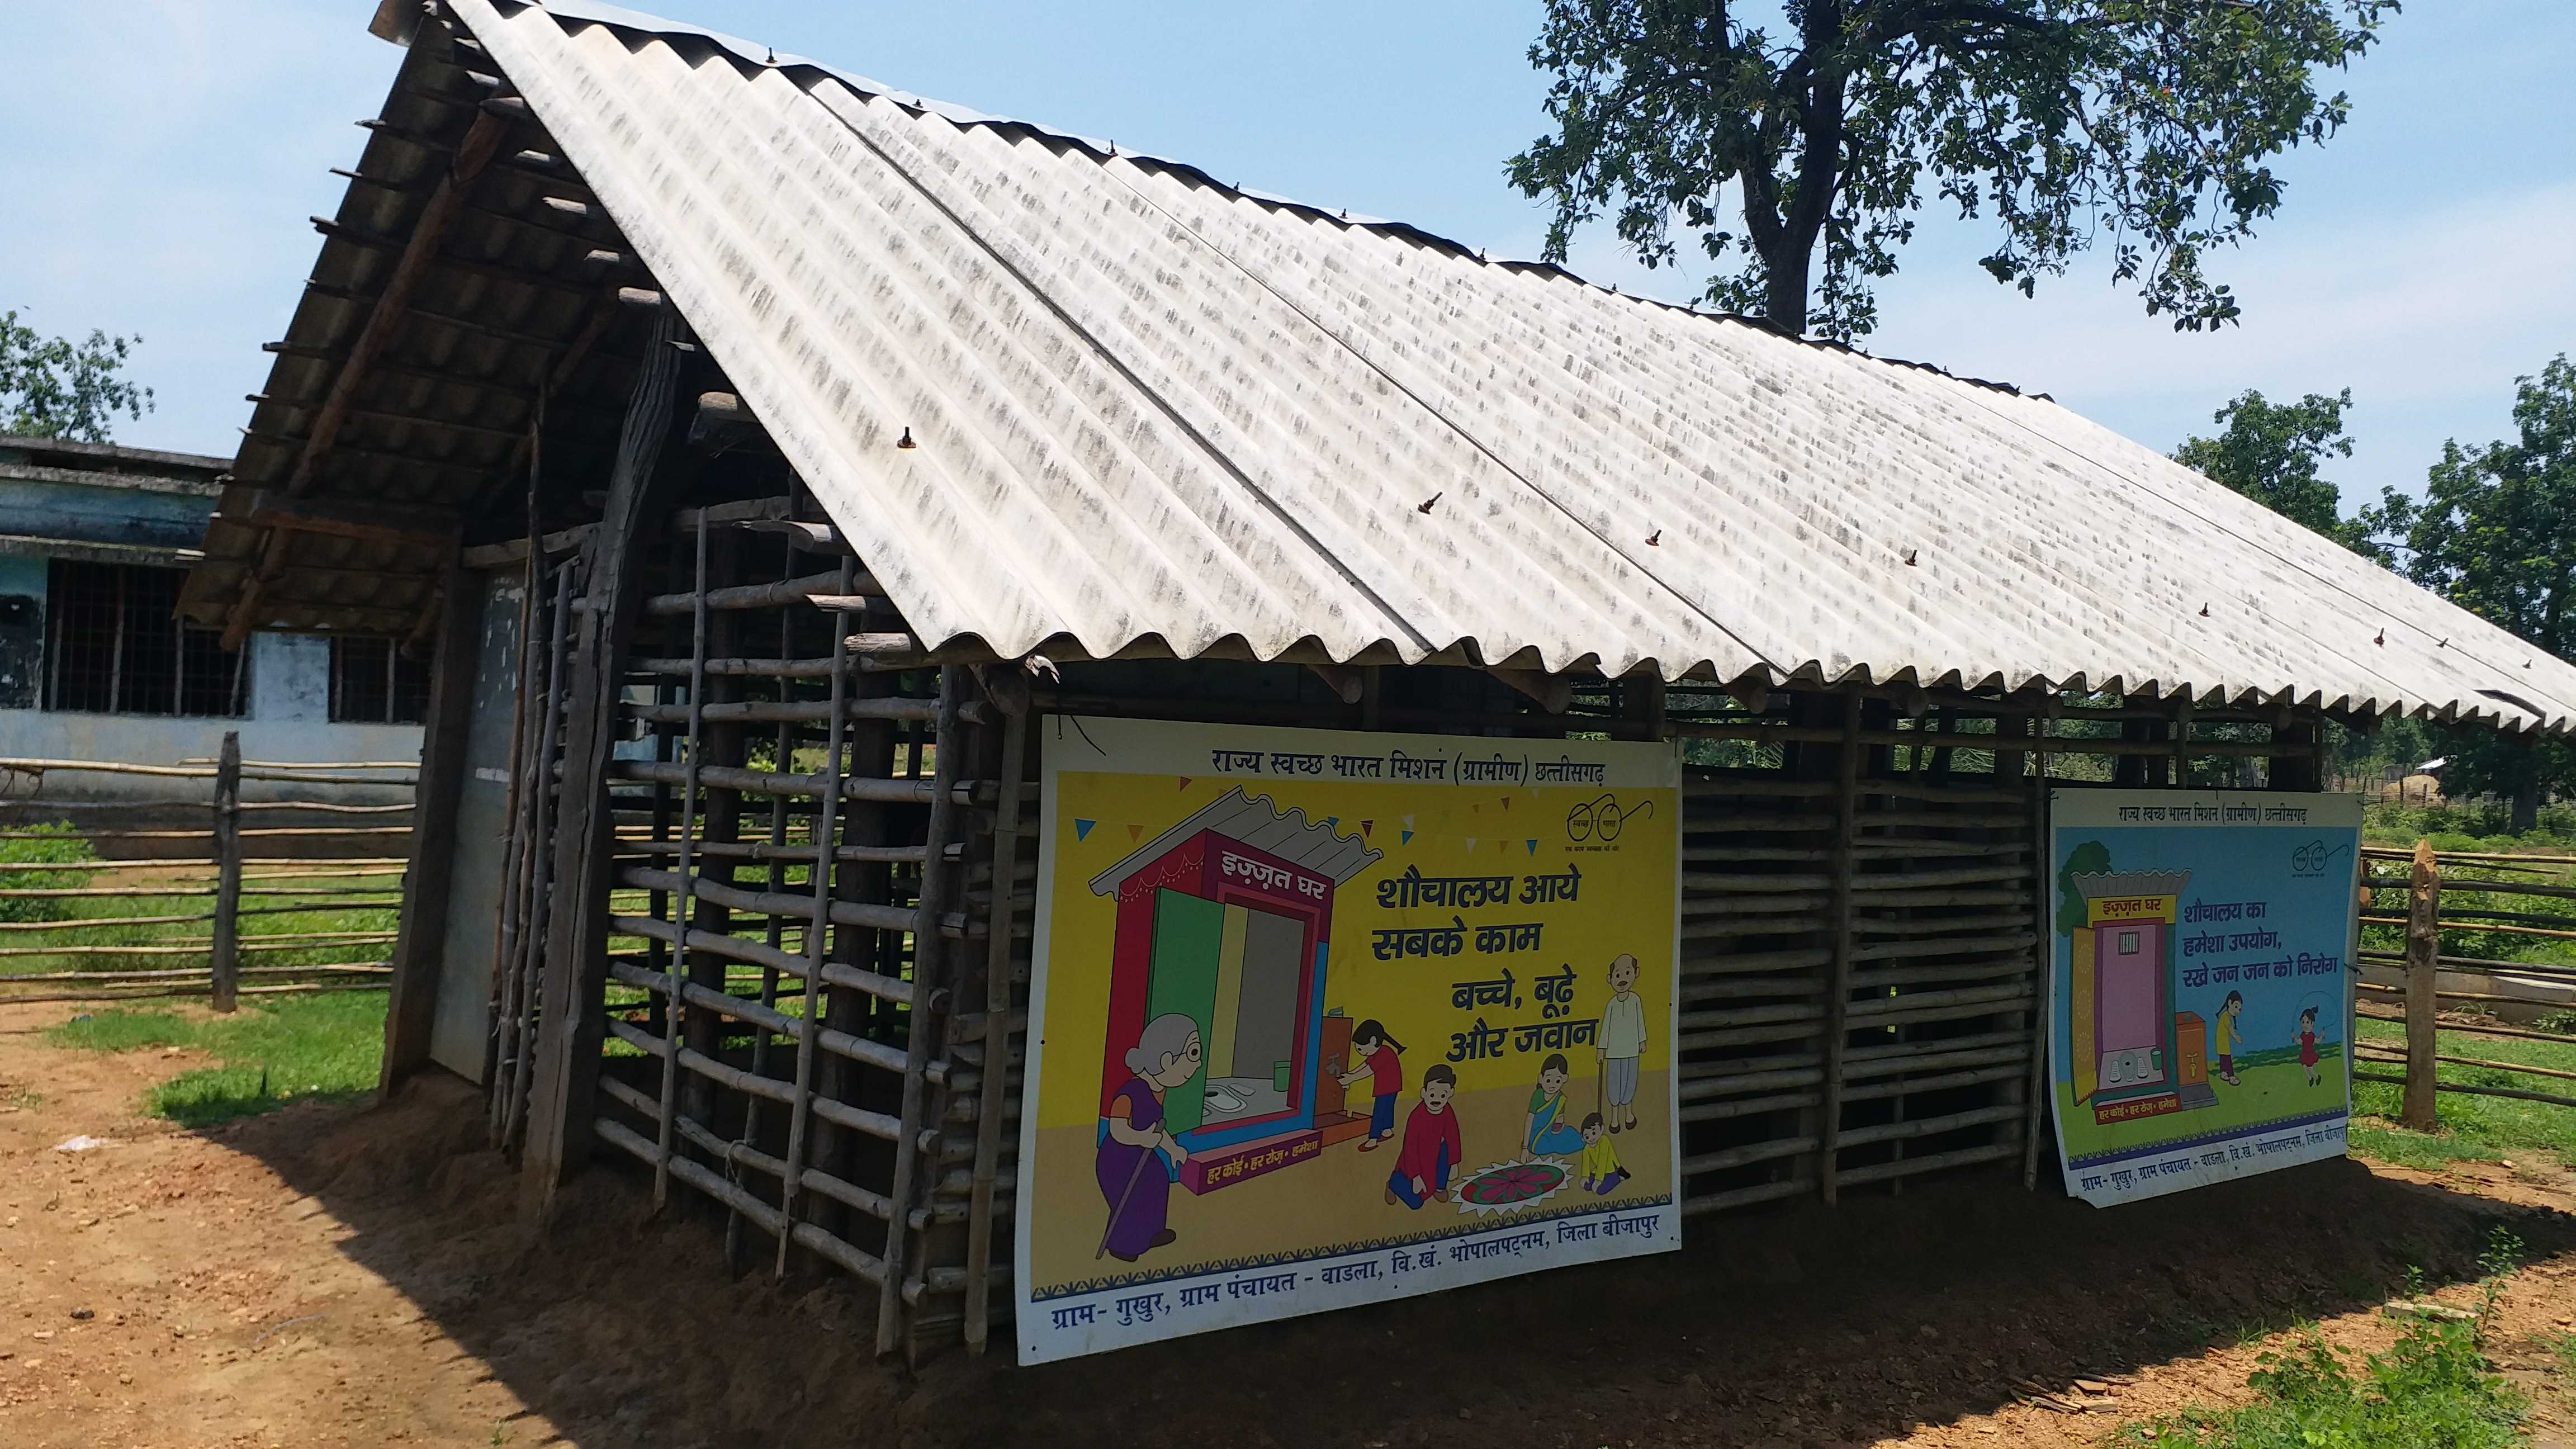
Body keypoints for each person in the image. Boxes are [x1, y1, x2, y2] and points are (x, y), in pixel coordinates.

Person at [1095, 1014, 1200, 1263]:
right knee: (1132, 1197)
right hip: (1117, 1159)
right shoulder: (1131, 1092)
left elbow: (1157, 1129)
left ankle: (1152, 1232)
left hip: (1142, 1153)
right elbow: (1118, 1129)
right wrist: (1141, 1137)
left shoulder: (1159, 1091)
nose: (1198, 1064)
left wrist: (1173, 1149)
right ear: (1166, 1060)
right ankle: (1124, 1246)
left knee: (1158, 1179)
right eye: (1193, 1054)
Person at [1386, 1065, 1464, 1209]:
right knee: (1416, 1203)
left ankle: (1440, 1188)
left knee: (1446, 1148)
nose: (1437, 1100)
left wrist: (1454, 1163)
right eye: (1433, 1095)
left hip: (1435, 1156)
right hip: (1415, 1161)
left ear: (1450, 1093)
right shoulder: (1416, 1117)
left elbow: (1453, 1136)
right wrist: (1415, 1177)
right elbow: (1410, 1148)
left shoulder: (1447, 1110)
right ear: (1424, 1093)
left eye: (1443, 1095)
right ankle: (1394, 1184)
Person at [1336, 1019, 1405, 1152]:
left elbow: (1369, 1070)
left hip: (1388, 1087)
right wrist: (1350, 1074)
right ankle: (1387, 1131)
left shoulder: (1384, 1053)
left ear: (1373, 1041)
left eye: (1361, 1049)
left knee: (1380, 1111)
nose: (1360, 1052)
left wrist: (1351, 1079)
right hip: (1391, 1086)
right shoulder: (1379, 1051)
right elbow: (1365, 1064)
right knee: (1387, 1108)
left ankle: (1373, 1139)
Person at [1596, 953, 1647, 1133]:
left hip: (1632, 1050)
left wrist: (1642, 1040)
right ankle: (1614, 1118)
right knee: (1614, 1085)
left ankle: (1629, 1114)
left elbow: (1640, 1021)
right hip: (1614, 1052)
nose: (1622, 979)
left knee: (1630, 1082)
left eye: (1627, 973)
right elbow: (1605, 1028)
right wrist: (1601, 1049)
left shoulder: (1636, 1000)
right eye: (1618, 975)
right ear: (1610, 979)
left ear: (1636, 973)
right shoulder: (1611, 1005)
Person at [1522, 1052, 1585, 1158]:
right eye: (1549, 1080)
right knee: (1553, 1145)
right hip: (1537, 1137)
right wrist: (1525, 1147)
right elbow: (1529, 1120)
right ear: (1541, 1079)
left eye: (1558, 1081)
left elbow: (1560, 1116)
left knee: (1571, 1133)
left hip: (1551, 1132)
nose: (1552, 1085)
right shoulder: (1538, 1095)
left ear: (1564, 1079)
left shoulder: (1561, 1098)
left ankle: (1585, 1139)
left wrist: (1559, 1124)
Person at [1578, 1111, 1627, 1195]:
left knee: (1600, 1191)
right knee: (1587, 1186)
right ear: (1583, 1138)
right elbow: (1586, 1163)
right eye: (1587, 1137)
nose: (1591, 1138)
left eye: (1594, 1133)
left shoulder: (1604, 1140)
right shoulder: (1587, 1148)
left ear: (1602, 1129)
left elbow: (1602, 1160)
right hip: (1597, 1171)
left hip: (1611, 1170)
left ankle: (1618, 1178)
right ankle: (1602, 1180)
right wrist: (1585, 1176)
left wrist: (1598, 1180)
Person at [2213, 991, 2246, 1086]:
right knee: (2227, 1059)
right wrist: (2237, 1038)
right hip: (2223, 1042)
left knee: (2223, 1057)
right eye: (2236, 1007)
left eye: (2239, 1009)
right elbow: (2231, 1029)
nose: (2238, 1011)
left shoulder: (2226, 1016)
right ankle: (2231, 1076)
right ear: (2229, 1003)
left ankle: (2223, 1073)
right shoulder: (2226, 1017)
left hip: (2221, 1041)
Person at [2298, 1005, 2323, 1087]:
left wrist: (2322, 1036)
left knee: (2310, 1068)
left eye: (2308, 1022)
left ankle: (2317, 1076)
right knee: (2305, 1067)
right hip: (2305, 1054)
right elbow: (2299, 1042)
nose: (2305, 1025)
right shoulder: (2302, 1035)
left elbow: (2317, 1041)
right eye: (2303, 1022)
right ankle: (2310, 1079)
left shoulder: (2312, 1035)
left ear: (2312, 1024)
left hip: (2310, 1054)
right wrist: (2294, 1037)